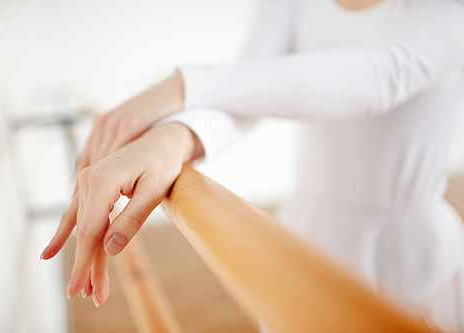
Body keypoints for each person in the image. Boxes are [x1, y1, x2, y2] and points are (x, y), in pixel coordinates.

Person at [41, 0, 464, 330]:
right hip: (306, 234)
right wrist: (173, 137)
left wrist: (181, 85)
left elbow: (377, 76)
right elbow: (249, 87)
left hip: (410, 248)